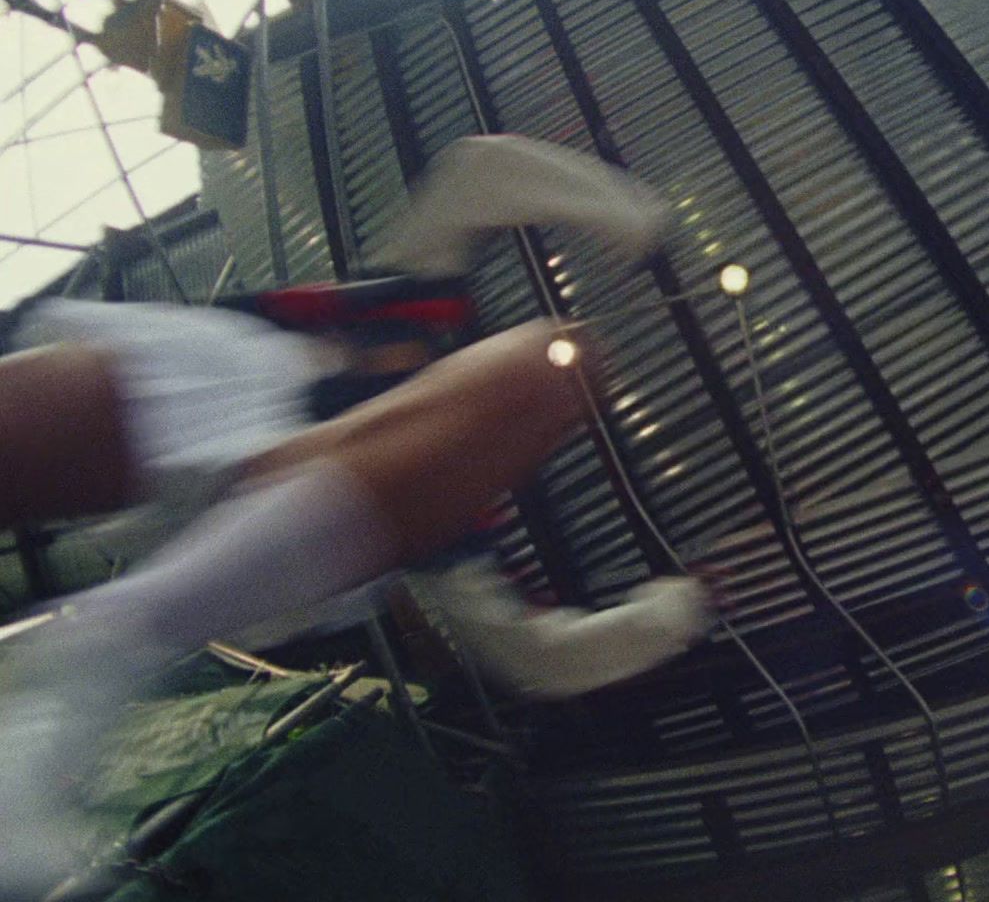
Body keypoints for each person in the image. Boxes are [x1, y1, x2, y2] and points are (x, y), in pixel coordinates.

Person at [0, 136, 717, 891]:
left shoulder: (455, 513)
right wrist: (634, 214)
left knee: (545, 366)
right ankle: (100, 650)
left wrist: (678, 609)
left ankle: (101, 651)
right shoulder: (418, 303)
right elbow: (479, 170)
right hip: (223, 383)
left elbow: (536, 658)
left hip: (263, 515)